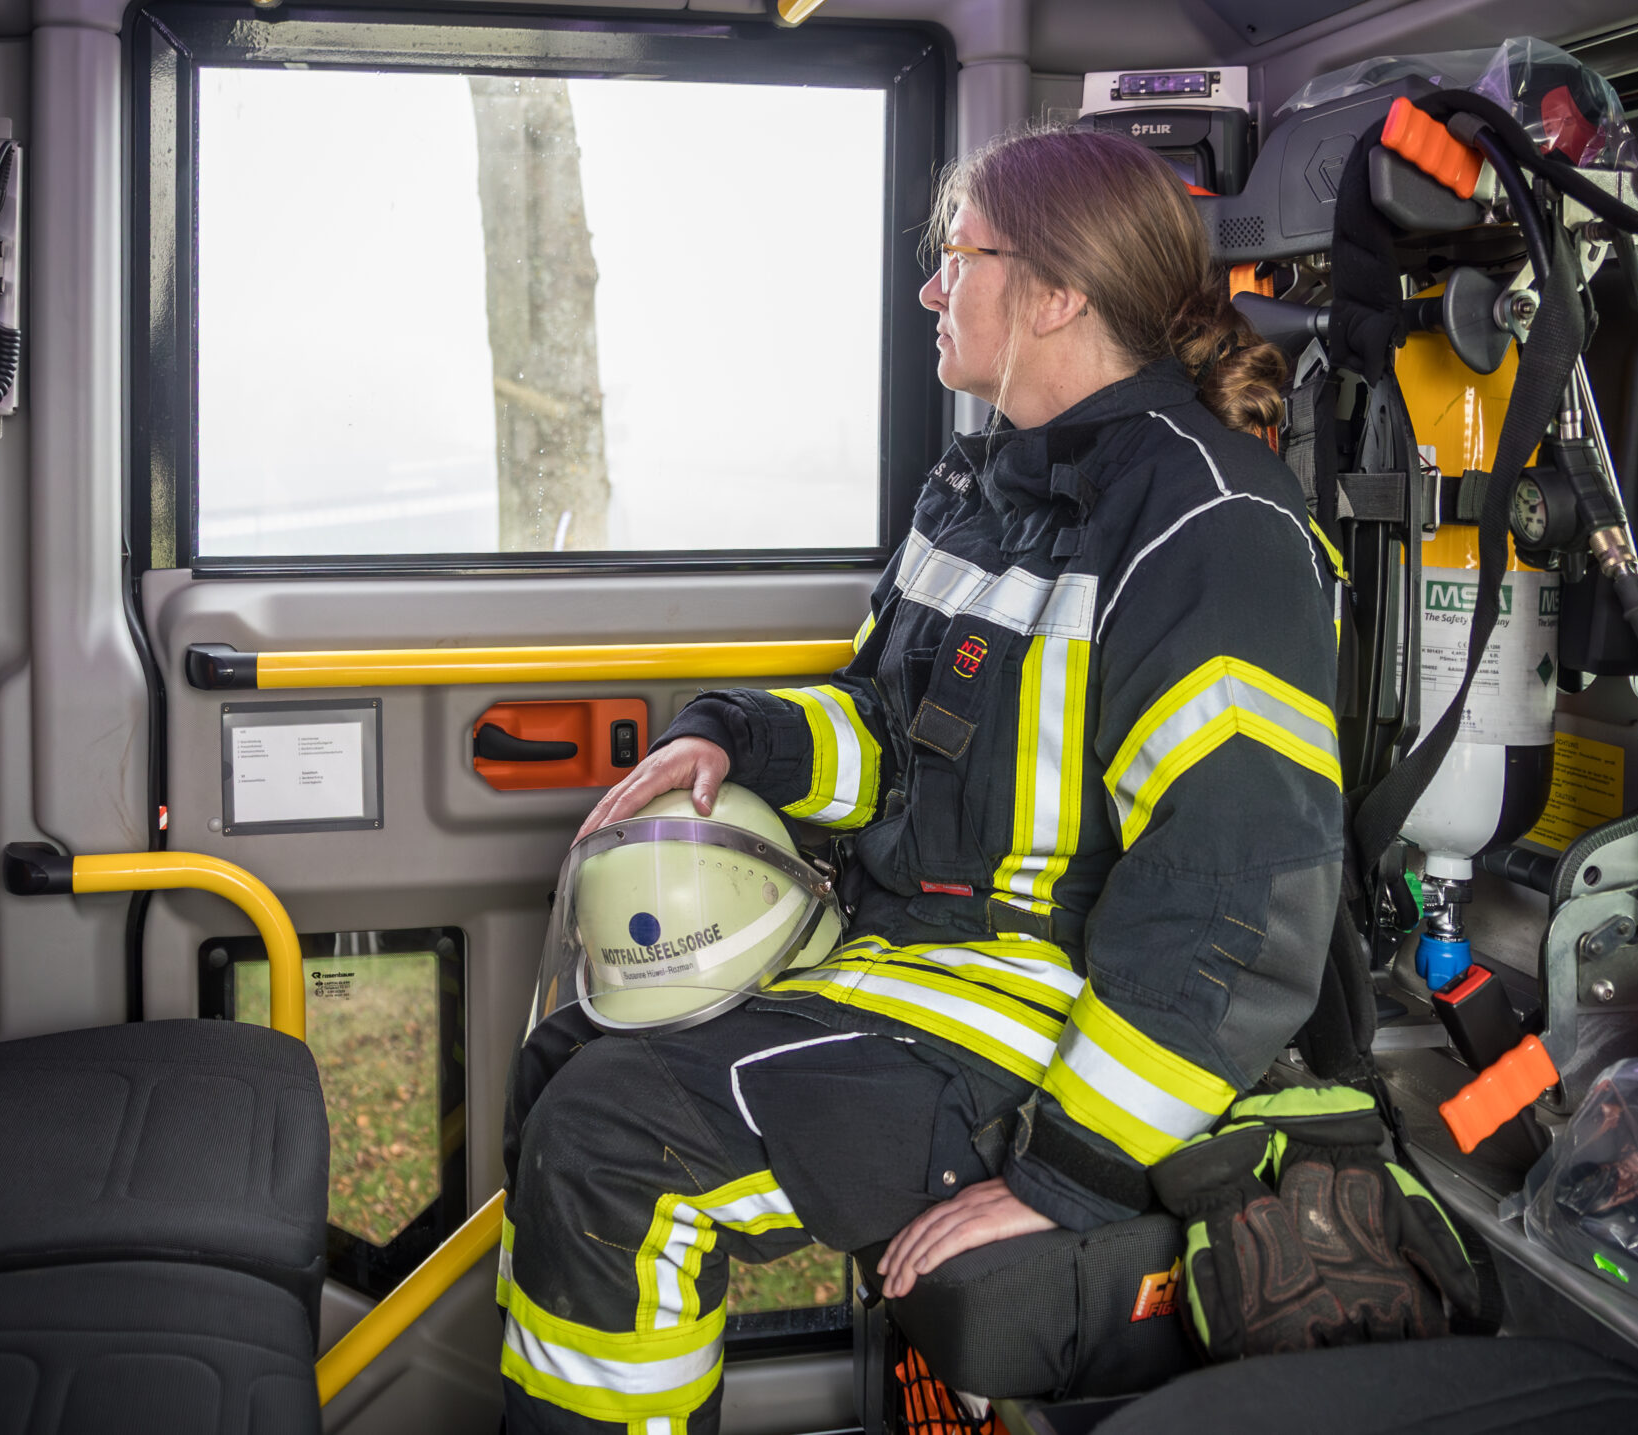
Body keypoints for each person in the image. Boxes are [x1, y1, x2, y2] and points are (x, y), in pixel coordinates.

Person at [497, 126, 1349, 1434]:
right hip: (909, 963)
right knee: (566, 1056)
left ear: (1055, 295)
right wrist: (734, 740)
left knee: (612, 1144)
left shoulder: (1210, 529)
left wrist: (1069, 1172)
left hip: (1046, 1018)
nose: (929, 289)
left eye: (958, 258)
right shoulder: (980, 487)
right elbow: (897, 740)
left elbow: (1239, 901)